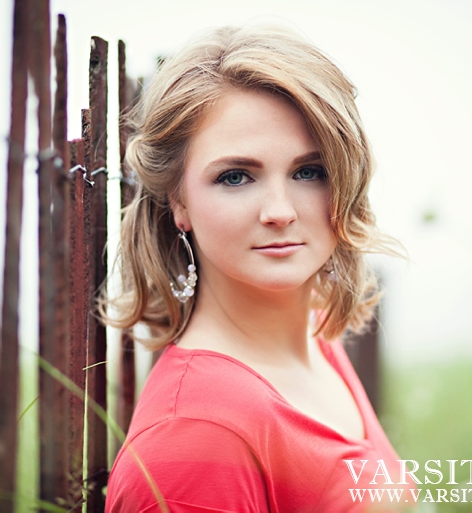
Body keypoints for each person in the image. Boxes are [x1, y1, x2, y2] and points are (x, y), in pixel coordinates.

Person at [102, 25, 413, 512]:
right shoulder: (194, 439)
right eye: (235, 176)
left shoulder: (313, 335)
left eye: (309, 171)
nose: (280, 211)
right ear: (178, 200)